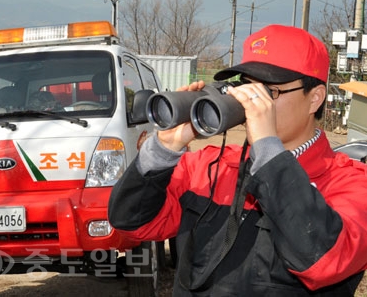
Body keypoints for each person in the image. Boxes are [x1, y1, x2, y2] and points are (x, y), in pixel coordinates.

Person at [108, 24, 367, 296]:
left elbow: (325, 260)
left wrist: (268, 152)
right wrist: (164, 149)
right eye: (246, 87)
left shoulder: (351, 184)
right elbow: (131, 224)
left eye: (270, 92)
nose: (251, 103)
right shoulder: (209, 167)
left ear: (314, 99)